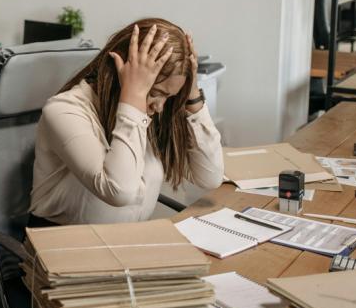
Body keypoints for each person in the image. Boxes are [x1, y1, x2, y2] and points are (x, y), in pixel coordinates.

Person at [29, 18, 224, 226]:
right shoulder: (63, 111)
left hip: (125, 243)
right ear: (119, 72)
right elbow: (119, 191)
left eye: (169, 97)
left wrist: (191, 93)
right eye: (157, 93)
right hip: (63, 246)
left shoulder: (151, 112)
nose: (160, 107)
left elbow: (209, 177)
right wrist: (133, 95)